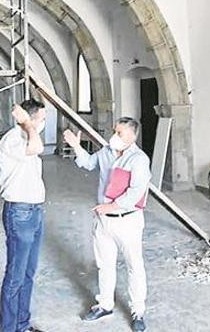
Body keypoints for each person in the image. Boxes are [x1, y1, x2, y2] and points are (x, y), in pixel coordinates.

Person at [63, 117, 150, 332]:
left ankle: (138, 311)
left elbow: (136, 191)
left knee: (134, 266)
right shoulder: (106, 152)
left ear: (132, 136)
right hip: (103, 221)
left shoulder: (138, 160)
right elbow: (89, 163)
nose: (114, 136)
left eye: (119, 133)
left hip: (127, 219)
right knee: (105, 264)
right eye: (114, 131)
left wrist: (111, 206)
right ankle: (105, 305)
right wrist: (76, 146)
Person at [0, 99, 48, 332]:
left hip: (34, 211)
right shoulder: (12, 140)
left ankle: (22, 325)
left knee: (28, 272)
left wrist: (30, 125)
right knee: (15, 276)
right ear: (28, 119)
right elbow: (37, 148)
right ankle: (9, 329)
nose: (44, 122)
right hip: (19, 212)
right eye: (41, 118)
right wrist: (28, 123)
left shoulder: (27, 136)